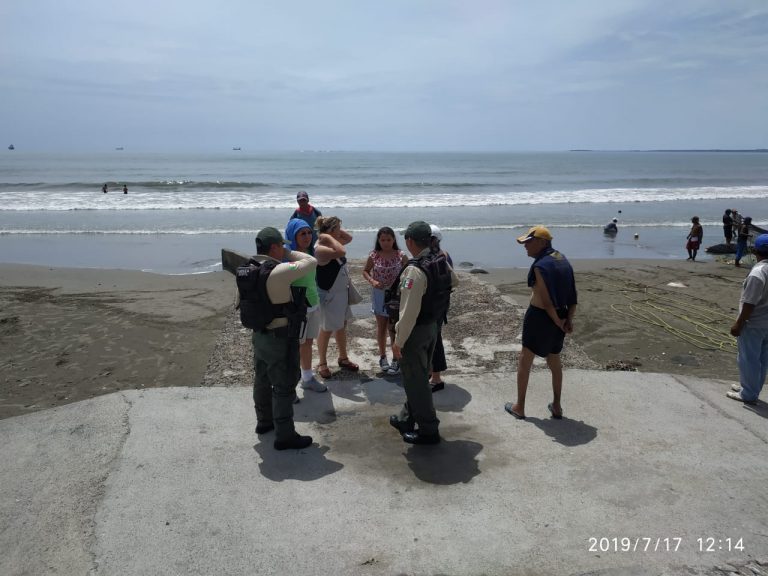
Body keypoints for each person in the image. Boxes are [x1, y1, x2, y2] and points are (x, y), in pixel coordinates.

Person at [389, 221, 458, 445]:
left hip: (415, 332)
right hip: (432, 327)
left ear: (410, 241)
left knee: (416, 381)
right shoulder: (439, 260)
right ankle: (405, 419)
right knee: (418, 377)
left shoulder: (415, 270)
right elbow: (454, 281)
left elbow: (408, 313)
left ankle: (429, 430)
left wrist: (398, 342)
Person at [247, 226, 317, 450]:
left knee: (262, 380)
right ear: (274, 247)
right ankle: (285, 435)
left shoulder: (248, 269)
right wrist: (287, 252)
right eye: (281, 246)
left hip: (259, 335)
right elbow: (310, 261)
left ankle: (264, 422)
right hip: (280, 337)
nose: (284, 250)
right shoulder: (278, 271)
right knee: (284, 385)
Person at [505, 226, 577, 420]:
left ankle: (519, 407)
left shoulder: (540, 266)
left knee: (525, 359)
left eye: (529, 242)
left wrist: (558, 322)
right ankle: (557, 406)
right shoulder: (562, 259)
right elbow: (572, 295)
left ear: (542, 242)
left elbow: (545, 302)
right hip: (561, 314)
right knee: (554, 359)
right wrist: (567, 319)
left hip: (540, 317)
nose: (525, 246)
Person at [284, 218, 327, 393]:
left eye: (309, 232)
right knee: (294, 347)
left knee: (308, 343)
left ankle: (307, 378)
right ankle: (289, 387)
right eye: (302, 233)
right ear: (293, 236)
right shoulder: (287, 257)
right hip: (297, 308)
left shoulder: (310, 253)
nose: (307, 236)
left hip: (313, 304)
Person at [314, 216, 358, 379]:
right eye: (338, 228)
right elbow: (341, 252)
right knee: (326, 329)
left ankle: (343, 358)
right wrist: (326, 236)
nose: (341, 232)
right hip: (330, 295)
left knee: (341, 326)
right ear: (331, 231)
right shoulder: (320, 248)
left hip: (341, 293)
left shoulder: (333, 242)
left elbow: (349, 238)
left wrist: (332, 233)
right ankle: (322, 363)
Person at [727, 234, 768, 405]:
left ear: (754, 251)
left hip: (753, 324)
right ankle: (751, 388)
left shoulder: (758, 273)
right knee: (762, 360)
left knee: (748, 359)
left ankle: (749, 394)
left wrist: (739, 323)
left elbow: (749, 303)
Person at [362, 226, 408, 375]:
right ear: (379, 240)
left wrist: (404, 287)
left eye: (388, 239)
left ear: (393, 240)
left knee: (394, 327)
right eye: (383, 240)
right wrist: (372, 281)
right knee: (381, 327)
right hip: (379, 294)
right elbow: (365, 271)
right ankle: (382, 357)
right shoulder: (374, 255)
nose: (386, 243)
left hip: (396, 295)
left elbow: (409, 272)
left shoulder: (401, 255)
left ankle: (396, 358)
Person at [428, 224, 453, 392]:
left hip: (434, 305)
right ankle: (432, 372)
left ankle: (436, 378)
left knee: (434, 339)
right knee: (433, 338)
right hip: (442, 302)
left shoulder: (434, 258)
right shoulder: (445, 255)